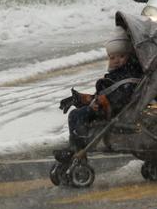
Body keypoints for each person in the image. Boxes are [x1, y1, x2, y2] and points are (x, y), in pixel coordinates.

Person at [55, 27, 143, 163]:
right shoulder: (114, 75)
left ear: (129, 55)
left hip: (115, 111)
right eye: (112, 57)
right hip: (105, 106)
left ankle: (78, 150)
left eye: (121, 56)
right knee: (75, 114)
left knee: (78, 115)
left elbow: (121, 97)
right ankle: (75, 148)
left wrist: (101, 103)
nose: (116, 60)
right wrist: (80, 98)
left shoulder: (129, 76)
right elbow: (102, 94)